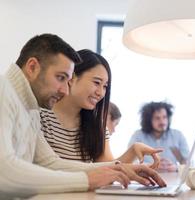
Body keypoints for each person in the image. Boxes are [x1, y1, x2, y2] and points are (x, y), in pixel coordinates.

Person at [0, 34, 166, 199]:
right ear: (32, 67)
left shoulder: (30, 109)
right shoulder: (3, 90)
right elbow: (4, 174)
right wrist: (87, 180)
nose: (65, 90)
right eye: (61, 77)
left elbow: (50, 163)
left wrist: (118, 169)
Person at [41, 50, 161, 167]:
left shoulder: (97, 128)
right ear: (72, 78)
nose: (101, 93)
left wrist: (133, 151)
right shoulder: (40, 118)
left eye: (105, 86)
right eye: (97, 83)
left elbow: (106, 170)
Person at [129, 101, 189, 172]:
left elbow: (188, 162)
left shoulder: (177, 135)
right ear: (149, 120)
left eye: (164, 117)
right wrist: (151, 165)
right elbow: (130, 162)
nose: (162, 122)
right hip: (147, 178)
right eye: (157, 118)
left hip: (173, 179)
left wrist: (176, 168)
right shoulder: (138, 136)